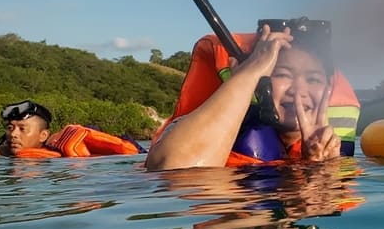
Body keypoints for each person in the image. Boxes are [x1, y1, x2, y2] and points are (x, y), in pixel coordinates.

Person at [146, 20, 358, 171]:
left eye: (313, 79)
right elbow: (175, 174)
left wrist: (317, 167)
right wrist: (249, 73)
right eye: (283, 75)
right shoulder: (200, 132)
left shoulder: (329, 153)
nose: (298, 91)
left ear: (329, 88)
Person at [0, 100, 145, 159]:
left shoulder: (56, 158)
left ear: (43, 135)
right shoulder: (5, 151)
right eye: (10, 128)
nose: (13, 134)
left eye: (22, 129)